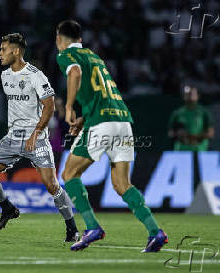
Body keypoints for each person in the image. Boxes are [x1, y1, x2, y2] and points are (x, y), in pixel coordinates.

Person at [56, 20, 168, 252]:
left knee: (69, 173)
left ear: (60, 39)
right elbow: (101, 94)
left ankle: (92, 227)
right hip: (122, 122)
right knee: (122, 184)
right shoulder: (96, 57)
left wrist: (68, 107)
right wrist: (83, 119)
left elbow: (74, 73)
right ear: (81, 39)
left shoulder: (66, 55)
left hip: (102, 124)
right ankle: (155, 232)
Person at [0, 33, 79, 242]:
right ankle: (8, 209)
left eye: (3, 49)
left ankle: (72, 227)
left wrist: (36, 133)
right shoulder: (5, 76)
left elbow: (49, 107)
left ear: (16, 51)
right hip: (12, 138)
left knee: (51, 185)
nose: (0, 53)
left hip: (37, 138)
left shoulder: (35, 75)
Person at [168, 86, 215, 151]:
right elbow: (171, 133)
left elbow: (210, 133)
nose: (190, 96)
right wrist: (179, 135)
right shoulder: (177, 113)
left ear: (198, 96)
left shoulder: (204, 113)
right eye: (187, 94)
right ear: (184, 96)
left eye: (192, 94)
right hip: (181, 150)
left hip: (200, 150)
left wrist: (193, 137)